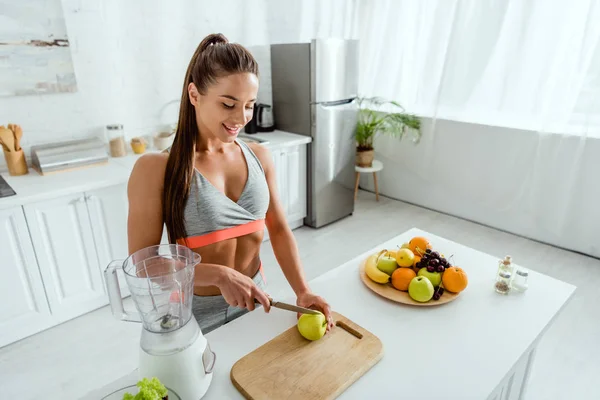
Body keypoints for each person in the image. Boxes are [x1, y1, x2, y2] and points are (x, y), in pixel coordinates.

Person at [127, 33, 334, 334]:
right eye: (228, 104)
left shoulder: (259, 156)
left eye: (250, 105)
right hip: (192, 315)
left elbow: (277, 228)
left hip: (255, 301)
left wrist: (303, 290)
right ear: (195, 95)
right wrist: (218, 275)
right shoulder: (157, 168)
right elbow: (145, 265)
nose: (241, 118)